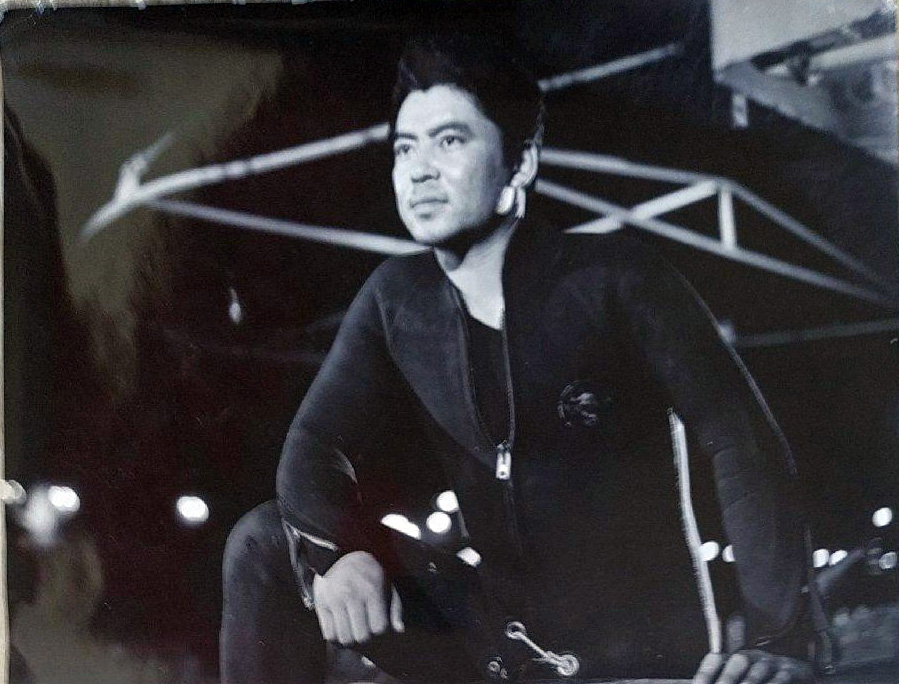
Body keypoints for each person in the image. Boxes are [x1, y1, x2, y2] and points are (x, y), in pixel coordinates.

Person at [221, 35, 829, 684]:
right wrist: (338, 553)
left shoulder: (616, 276)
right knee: (264, 540)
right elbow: (315, 444)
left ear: (521, 162)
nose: (420, 170)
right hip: (502, 645)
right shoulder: (396, 298)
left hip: (636, 656)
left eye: (449, 141)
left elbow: (740, 441)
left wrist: (782, 640)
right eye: (405, 148)